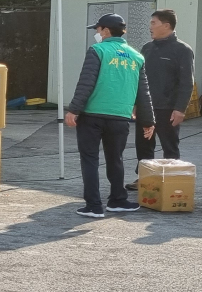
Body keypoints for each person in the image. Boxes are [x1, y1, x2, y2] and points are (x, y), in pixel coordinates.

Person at [65, 12, 155, 219]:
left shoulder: (97, 50)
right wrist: (148, 121)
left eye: (98, 29)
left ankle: (94, 206)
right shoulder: (136, 56)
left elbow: (86, 82)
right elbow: (144, 92)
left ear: (106, 30)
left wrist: (74, 109)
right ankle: (118, 200)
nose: (97, 33)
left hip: (92, 115)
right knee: (116, 159)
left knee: (90, 159)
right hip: (120, 117)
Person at [137, 9, 195, 161]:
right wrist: (136, 103)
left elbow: (186, 82)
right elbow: (139, 78)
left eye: (153, 23)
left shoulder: (182, 50)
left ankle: (172, 174)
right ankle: (144, 175)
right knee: (143, 146)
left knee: (170, 148)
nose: (150, 27)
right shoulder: (147, 48)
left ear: (166, 25)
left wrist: (180, 109)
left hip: (167, 109)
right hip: (146, 108)